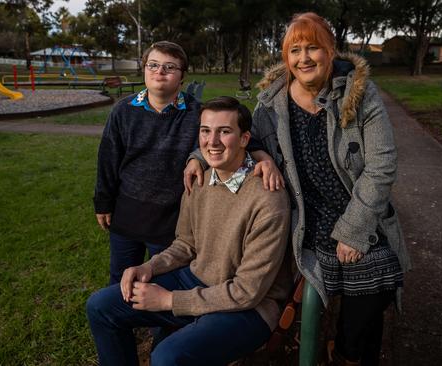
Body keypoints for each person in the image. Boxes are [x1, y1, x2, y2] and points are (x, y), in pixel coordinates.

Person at [185, 13, 411, 366]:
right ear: (285, 58)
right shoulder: (272, 104)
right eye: (294, 50)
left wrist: (353, 231)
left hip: (357, 213)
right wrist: (199, 157)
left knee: (372, 289)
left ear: (331, 50)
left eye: (313, 48)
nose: (304, 58)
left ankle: (348, 353)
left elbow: (382, 165)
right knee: (317, 289)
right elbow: (236, 133)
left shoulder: (359, 94)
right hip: (305, 222)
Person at [86, 96, 292, 366]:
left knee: (167, 356)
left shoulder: (269, 200)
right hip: (196, 280)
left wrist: (170, 300)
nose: (212, 141)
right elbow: (186, 244)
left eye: (225, 131)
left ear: (245, 139)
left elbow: (247, 291)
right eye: (206, 131)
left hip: (251, 308)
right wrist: (150, 267)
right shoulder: (200, 180)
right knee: (101, 306)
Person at [93, 41, 201, 285]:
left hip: (171, 220)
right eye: (153, 65)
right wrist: (103, 202)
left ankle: (162, 324)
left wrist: (262, 156)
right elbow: (108, 159)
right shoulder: (123, 111)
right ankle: (119, 320)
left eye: (169, 67)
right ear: (144, 69)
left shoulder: (198, 113)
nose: (159, 71)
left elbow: (233, 134)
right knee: (121, 280)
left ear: (182, 76)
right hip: (126, 214)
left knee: (164, 282)